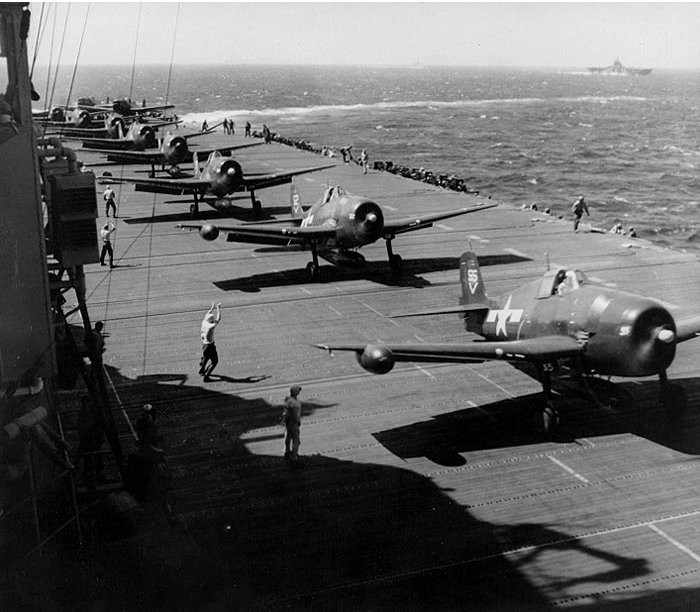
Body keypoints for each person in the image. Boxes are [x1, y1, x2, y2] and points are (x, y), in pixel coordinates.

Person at [199, 302, 221, 381]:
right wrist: (218, 309)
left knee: (206, 357)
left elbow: (207, 314)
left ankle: (202, 370)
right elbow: (218, 319)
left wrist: (212, 308)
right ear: (211, 321)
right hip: (210, 346)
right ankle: (206, 376)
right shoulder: (211, 327)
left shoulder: (204, 322)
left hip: (204, 344)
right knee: (215, 361)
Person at [282, 385, 302, 462]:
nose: (299, 392)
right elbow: (293, 413)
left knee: (288, 436)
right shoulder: (295, 402)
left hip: (287, 421)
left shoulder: (287, 399)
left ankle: (286, 450)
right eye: (298, 391)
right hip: (293, 422)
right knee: (296, 440)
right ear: (296, 392)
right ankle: (294, 456)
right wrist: (297, 421)